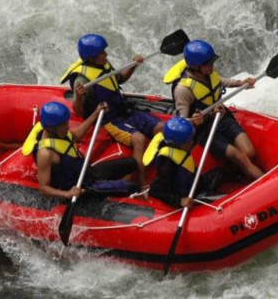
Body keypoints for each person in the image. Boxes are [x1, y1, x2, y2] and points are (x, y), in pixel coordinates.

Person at [60, 34, 163, 189]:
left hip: (126, 111)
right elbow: (78, 112)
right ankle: (142, 183)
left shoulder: (102, 64)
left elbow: (119, 79)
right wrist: (79, 98)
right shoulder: (82, 80)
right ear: (92, 58)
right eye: (102, 53)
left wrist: (133, 65)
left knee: (163, 127)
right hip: (109, 120)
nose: (106, 54)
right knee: (138, 139)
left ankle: (163, 168)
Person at [164, 39, 264, 180]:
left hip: (223, 119)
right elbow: (181, 122)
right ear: (196, 66)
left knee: (249, 152)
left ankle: (233, 172)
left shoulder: (209, 72)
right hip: (205, 130)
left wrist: (241, 83)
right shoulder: (183, 90)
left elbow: (222, 81)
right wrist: (194, 120)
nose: (213, 66)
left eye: (212, 61)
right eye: (209, 63)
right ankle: (263, 181)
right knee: (241, 158)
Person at [22, 101, 137, 200]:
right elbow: (43, 189)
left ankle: (113, 191)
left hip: (87, 172)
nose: (67, 126)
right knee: (132, 187)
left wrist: (96, 113)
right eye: (63, 124)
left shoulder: (58, 132)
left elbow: (75, 136)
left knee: (132, 163)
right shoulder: (45, 153)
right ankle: (116, 195)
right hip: (80, 187)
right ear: (50, 128)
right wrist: (68, 194)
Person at [146, 117, 223, 208]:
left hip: (192, 180)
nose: (192, 142)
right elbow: (155, 190)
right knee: (219, 198)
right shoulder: (168, 164)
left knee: (220, 172)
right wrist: (179, 201)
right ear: (176, 144)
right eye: (188, 141)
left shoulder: (180, 144)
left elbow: (198, 136)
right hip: (186, 193)